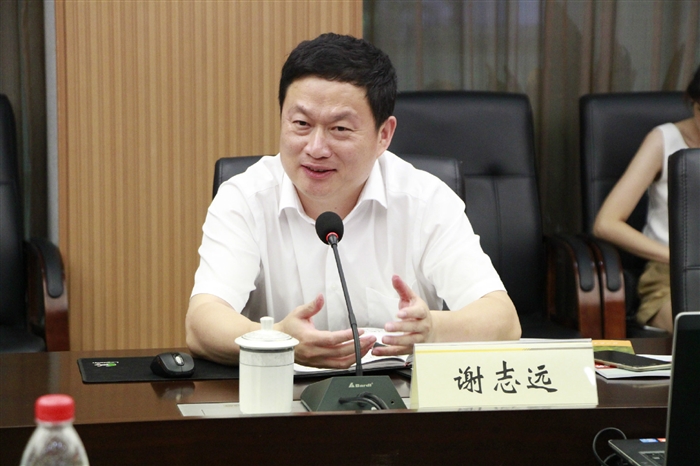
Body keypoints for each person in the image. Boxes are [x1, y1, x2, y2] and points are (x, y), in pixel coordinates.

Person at [186, 33, 520, 368]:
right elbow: (202, 322)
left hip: (402, 395)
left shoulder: (426, 200)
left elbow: (503, 321)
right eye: (301, 124)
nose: (316, 148)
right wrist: (277, 341)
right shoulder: (245, 198)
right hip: (280, 393)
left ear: (383, 135)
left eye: (340, 129)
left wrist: (433, 330)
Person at [594, 65, 700, 333]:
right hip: (670, 274)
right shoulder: (664, 140)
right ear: (692, 102)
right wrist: (679, 258)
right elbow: (606, 223)